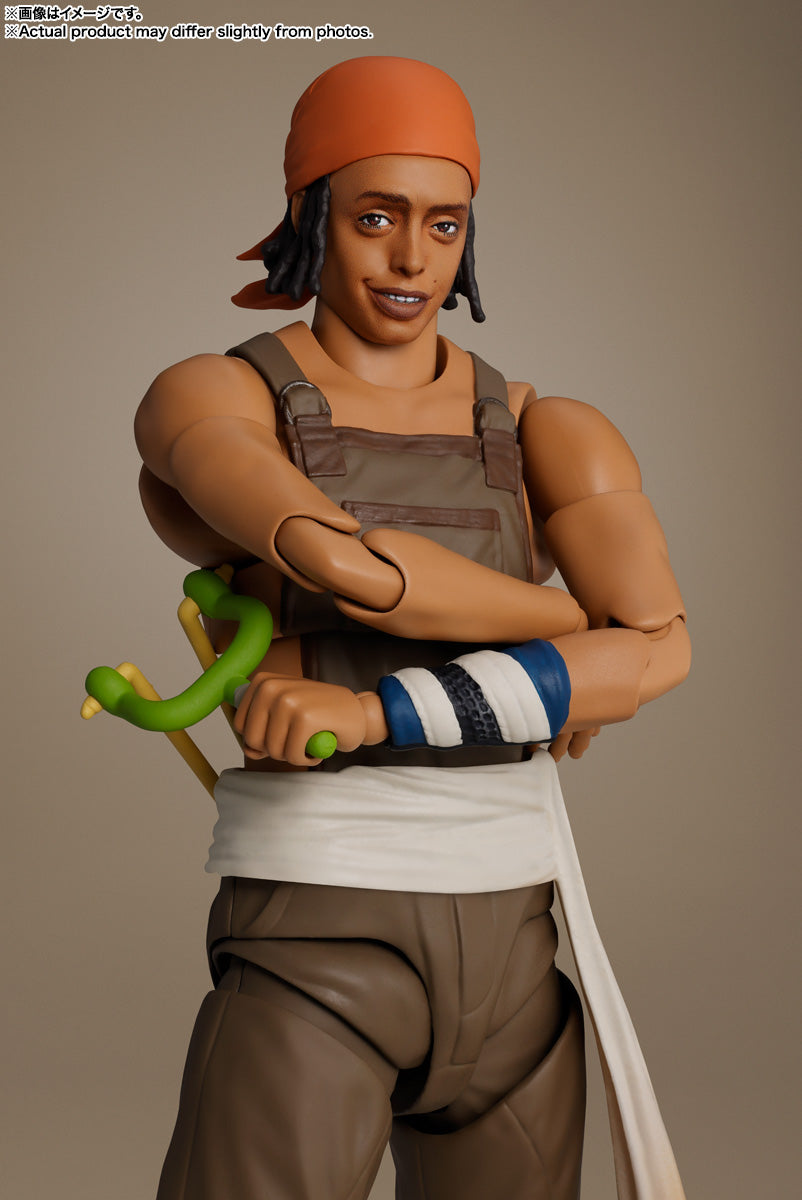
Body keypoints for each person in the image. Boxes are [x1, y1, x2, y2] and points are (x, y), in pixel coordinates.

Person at [135, 57, 690, 1200]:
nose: (411, 259)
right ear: (312, 216)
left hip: (518, 947)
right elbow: (350, 567)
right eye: (376, 217)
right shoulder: (218, 397)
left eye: (444, 223)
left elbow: (661, 651)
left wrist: (373, 710)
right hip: (320, 934)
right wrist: (567, 632)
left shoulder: (549, 430)